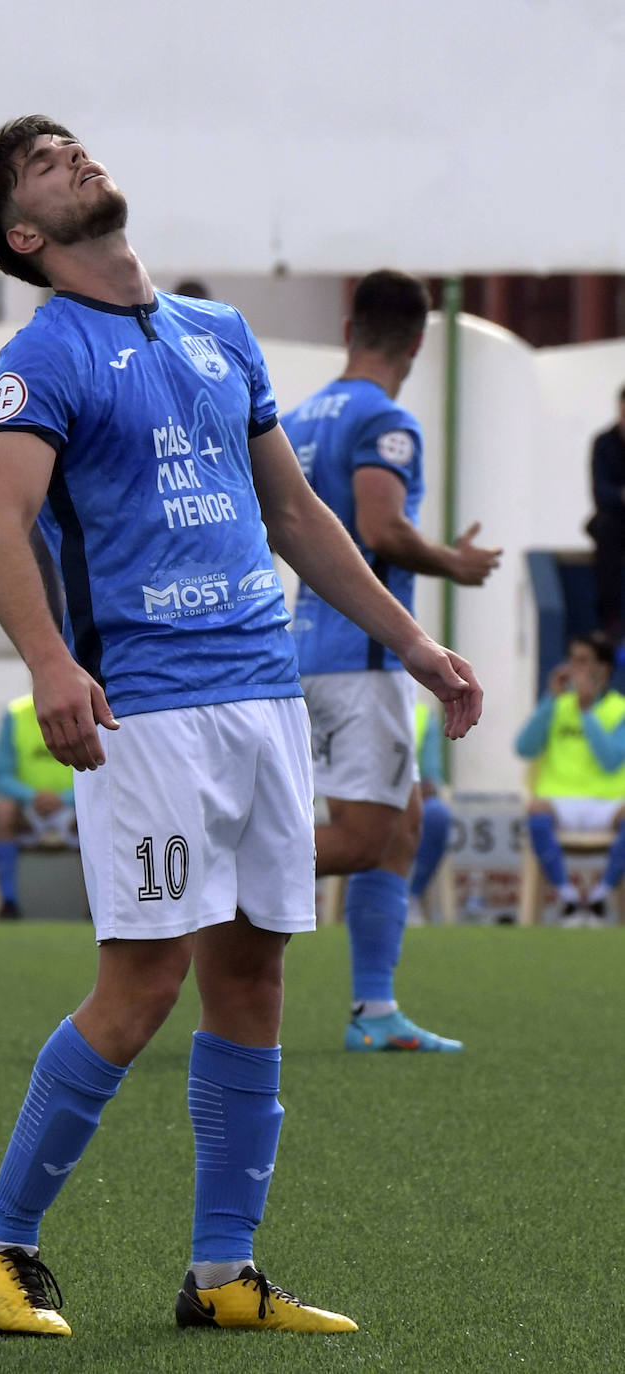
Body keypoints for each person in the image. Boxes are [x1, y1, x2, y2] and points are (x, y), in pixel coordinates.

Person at [0, 115, 482, 1340]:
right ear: (26, 235)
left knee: (254, 975)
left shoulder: (216, 333)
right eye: (45, 166)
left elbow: (295, 515)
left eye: (75, 146)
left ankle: (222, 1274)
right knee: (141, 988)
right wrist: (49, 664)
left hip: (264, 697)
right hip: (148, 709)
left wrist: (414, 642)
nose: (77, 159)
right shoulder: (47, 351)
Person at [281, 270, 501, 1053]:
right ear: (416, 341)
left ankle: (375, 1012)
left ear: (349, 329)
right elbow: (379, 528)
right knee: (369, 838)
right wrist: (454, 563)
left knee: (407, 820)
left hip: (304, 644)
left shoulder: (299, 417)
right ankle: (212, 875)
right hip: (363, 655)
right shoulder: (384, 418)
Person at [515, 631, 625, 925]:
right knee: (535, 811)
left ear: (604, 668)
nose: (574, 668)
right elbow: (524, 747)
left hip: (606, 803)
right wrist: (550, 698)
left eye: (583, 661)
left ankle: (601, 896)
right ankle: (569, 899)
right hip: (559, 802)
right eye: (572, 660)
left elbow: (611, 760)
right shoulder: (557, 705)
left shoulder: (620, 709)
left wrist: (587, 712)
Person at [0, 692, 78, 919]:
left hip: (74, 808)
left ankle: (99, 909)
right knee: (2, 811)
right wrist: (32, 796)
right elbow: (0, 775)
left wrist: (65, 799)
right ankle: (8, 904)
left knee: (101, 816)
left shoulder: (86, 710)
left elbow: (101, 770)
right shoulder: (15, 714)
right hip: (29, 810)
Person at [407, 699, 454, 923]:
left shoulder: (423, 716)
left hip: (410, 798)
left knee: (437, 815)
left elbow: (430, 780)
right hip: (368, 799)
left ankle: (410, 895)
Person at [585, 385, 625, 641]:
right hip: (615, 520)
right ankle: (610, 617)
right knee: (607, 529)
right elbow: (601, 492)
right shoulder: (604, 443)